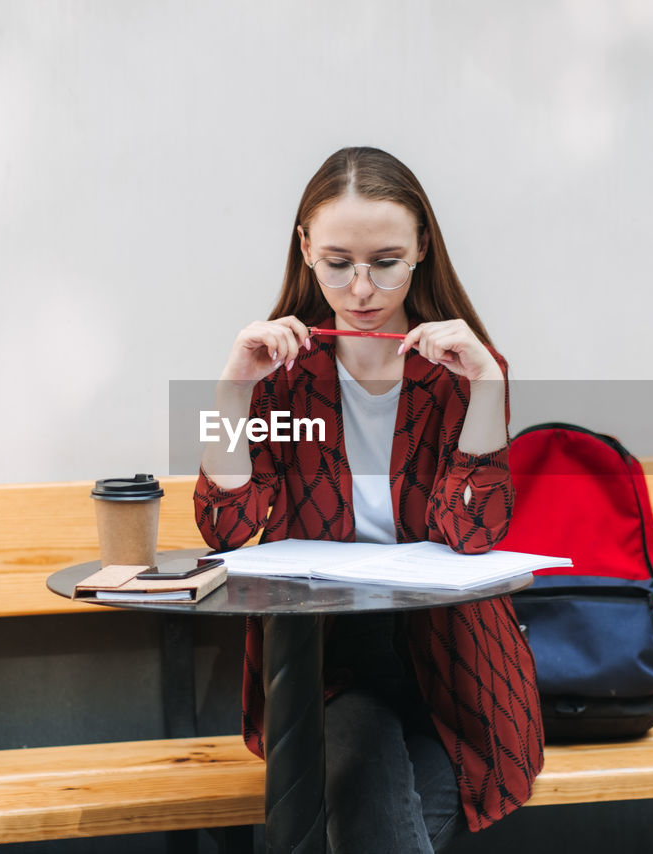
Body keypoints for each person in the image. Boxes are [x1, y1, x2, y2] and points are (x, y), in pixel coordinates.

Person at [193, 146, 543, 853]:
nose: (360, 289)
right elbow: (225, 527)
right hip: (327, 667)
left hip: (459, 672)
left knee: (345, 820)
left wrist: (488, 390)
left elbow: (471, 535)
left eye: (385, 261)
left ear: (421, 251)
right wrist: (231, 388)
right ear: (304, 250)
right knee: (358, 778)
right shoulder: (281, 373)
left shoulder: (462, 369)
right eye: (337, 262)